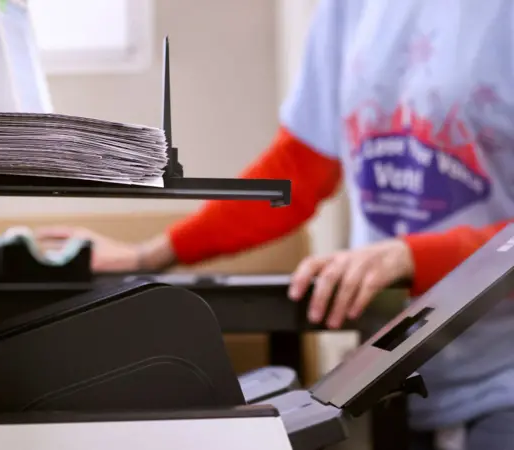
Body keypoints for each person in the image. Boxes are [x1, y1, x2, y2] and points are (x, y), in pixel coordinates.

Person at [37, 1, 514, 448]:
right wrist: (149, 254)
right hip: (397, 377)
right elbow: (302, 167)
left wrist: (410, 256)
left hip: (503, 378)